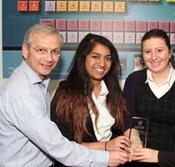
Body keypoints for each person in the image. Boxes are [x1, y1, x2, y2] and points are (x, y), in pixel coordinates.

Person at [0, 24, 128, 166]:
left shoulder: (37, 85)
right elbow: (58, 145)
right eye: (41, 50)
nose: (49, 58)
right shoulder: (21, 92)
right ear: (25, 50)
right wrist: (106, 156)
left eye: (55, 51)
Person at [51, 33, 142, 166]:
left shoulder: (114, 91)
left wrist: (131, 142)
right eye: (95, 57)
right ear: (83, 58)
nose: (102, 64)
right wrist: (105, 146)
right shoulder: (66, 92)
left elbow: (123, 125)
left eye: (107, 58)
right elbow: (62, 146)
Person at [123, 29, 175, 166]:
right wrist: (134, 139)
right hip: (137, 160)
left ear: (170, 52)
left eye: (159, 50)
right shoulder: (133, 81)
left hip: (173, 162)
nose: (153, 57)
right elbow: (126, 117)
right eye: (148, 52)